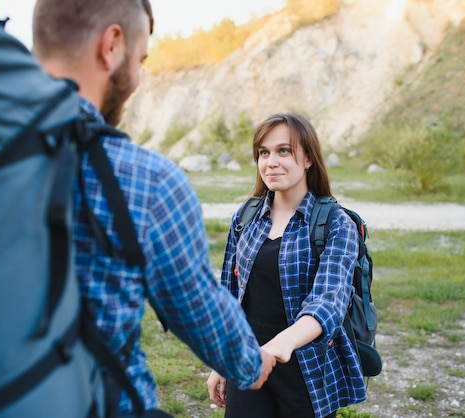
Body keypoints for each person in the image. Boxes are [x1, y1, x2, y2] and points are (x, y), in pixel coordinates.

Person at [31, 0, 276, 416]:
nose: (139, 77)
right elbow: (200, 310)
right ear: (111, 45)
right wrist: (252, 363)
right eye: (140, 58)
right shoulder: (146, 180)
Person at [206, 112, 367, 418]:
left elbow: (328, 301)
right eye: (263, 153)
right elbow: (228, 297)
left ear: (308, 158)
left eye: (283, 151)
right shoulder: (245, 218)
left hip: (308, 367)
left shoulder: (335, 223)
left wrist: (280, 345)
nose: (271, 162)